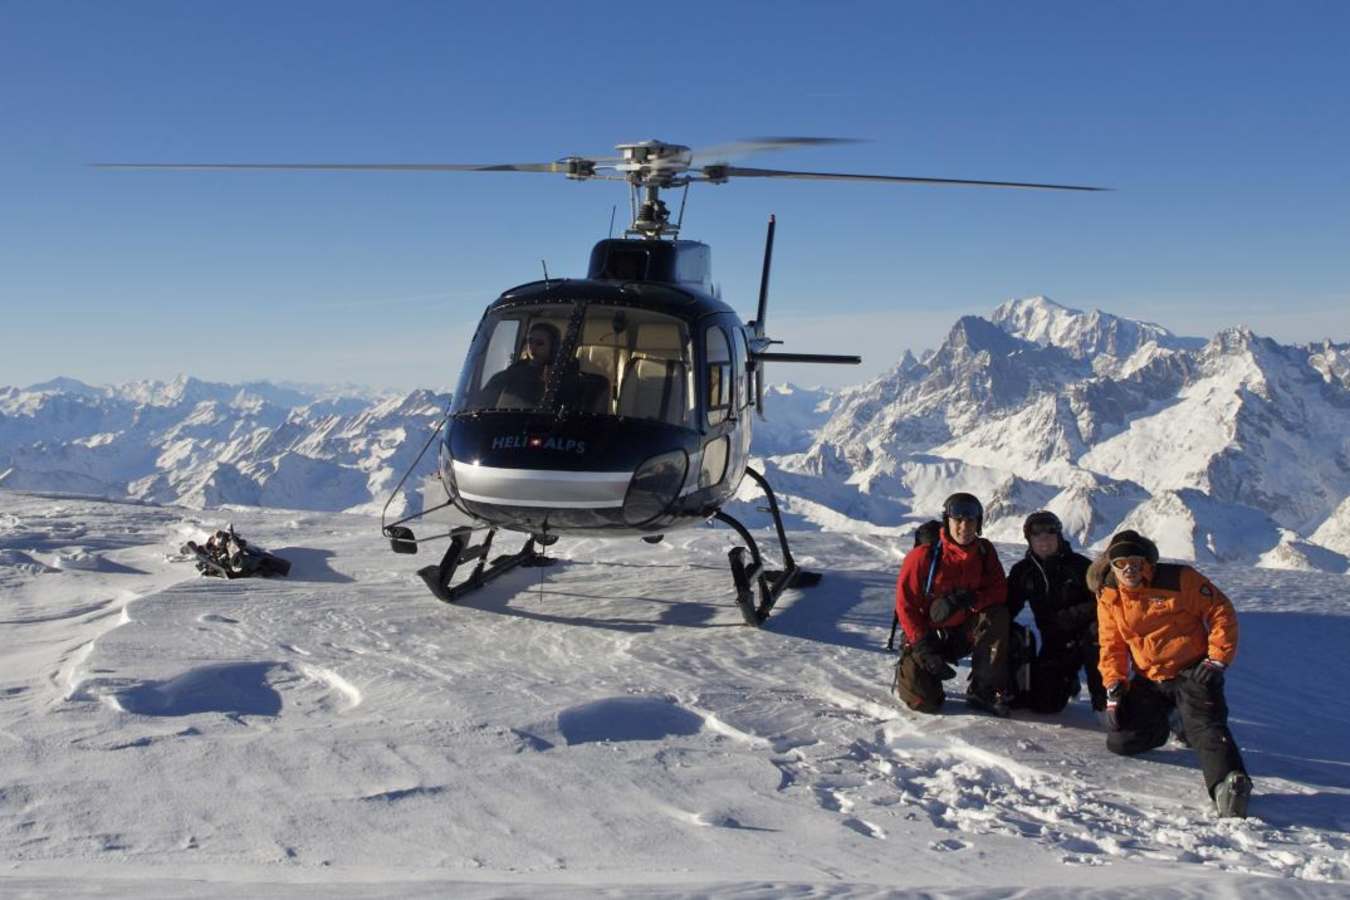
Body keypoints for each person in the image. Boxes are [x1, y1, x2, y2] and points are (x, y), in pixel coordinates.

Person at [1091, 530, 1252, 818]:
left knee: (1205, 726)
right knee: (1122, 741)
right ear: (1111, 566)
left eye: (1135, 561)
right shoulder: (1109, 595)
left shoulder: (1179, 580)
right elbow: (1111, 643)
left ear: (1147, 562)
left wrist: (1217, 659)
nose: (1129, 568)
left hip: (1192, 671)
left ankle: (1228, 783)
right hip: (1149, 677)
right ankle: (1171, 720)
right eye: (1121, 562)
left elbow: (1220, 610)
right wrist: (1114, 684)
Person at [893, 492, 1012, 717]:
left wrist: (973, 600)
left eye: (970, 521)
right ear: (947, 521)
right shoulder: (923, 556)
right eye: (958, 520)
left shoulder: (985, 552)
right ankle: (913, 670)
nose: (964, 527)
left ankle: (983, 688)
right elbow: (905, 605)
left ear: (979, 523)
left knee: (997, 615)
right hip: (927, 637)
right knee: (925, 702)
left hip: (963, 633)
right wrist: (924, 648)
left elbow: (999, 590)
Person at [1006, 510, 1105, 714]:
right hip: (1056, 643)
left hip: (1088, 637)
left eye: (1050, 532)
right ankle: (1069, 681)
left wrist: (1070, 617)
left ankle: (1103, 702)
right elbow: (1008, 606)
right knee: (1044, 704)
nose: (1044, 538)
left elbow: (1103, 603)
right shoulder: (1023, 572)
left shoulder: (1080, 566)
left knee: (1095, 638)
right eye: (1037, 534)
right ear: (1029, 539)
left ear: (1058, 535)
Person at [478, 322, 560, 409]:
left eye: (539, 343)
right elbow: (481, 405)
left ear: (553, 347)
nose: (532, 347)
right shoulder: (510, 374)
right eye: (530, 341)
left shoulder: (561, 378)